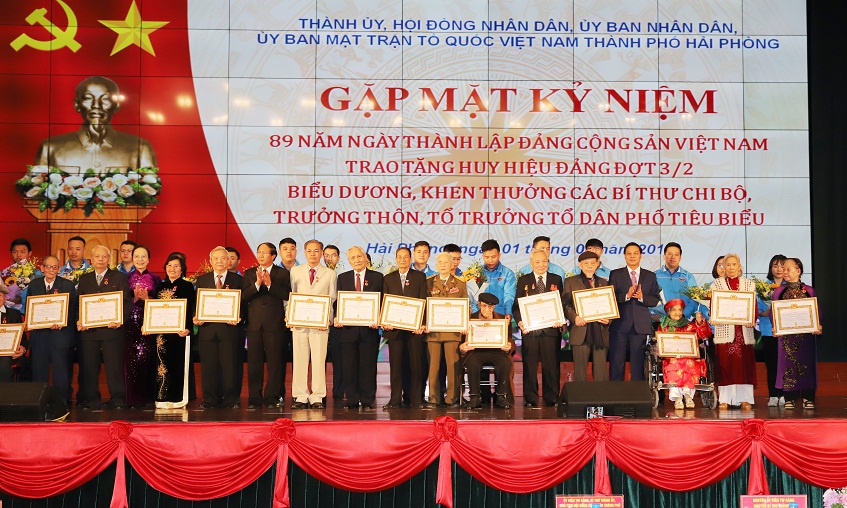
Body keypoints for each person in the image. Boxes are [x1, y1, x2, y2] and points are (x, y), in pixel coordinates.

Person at [34, 75, 157, 171]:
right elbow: (37, 191)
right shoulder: (50, 147)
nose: (96, 105)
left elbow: (148, 191)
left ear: (116, 105)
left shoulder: (140, 148)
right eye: (88, 98)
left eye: (105, 99)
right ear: (77, 105)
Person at [76, 245, 132, 409]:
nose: (100, 259)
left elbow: (126, 303)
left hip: (112, 330)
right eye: (97, 256)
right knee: (89, 367)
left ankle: (118, 400)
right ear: (91, 260)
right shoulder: (84, 279)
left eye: (104, 257)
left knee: (114, 367)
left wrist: (120, 320)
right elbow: (79, 303)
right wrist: (79, 320)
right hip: (89, 331)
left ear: (109, 260)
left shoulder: (120, 278)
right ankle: (91, 400)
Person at [21, 256, 77, 403]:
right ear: (42, 268)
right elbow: (29, 308)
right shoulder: (34, 285)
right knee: (39, 373)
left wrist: (62, 322)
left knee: (61, 373)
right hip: (39, 336)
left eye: (55, 267)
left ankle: (61, 405)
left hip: (60, 335)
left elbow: (73, 310)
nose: (51, 270)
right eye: (48, 266)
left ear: (59, 269)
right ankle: (40, 404)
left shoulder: (67, 285)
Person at [288, 240, 337, 409]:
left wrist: (328, 319)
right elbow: (291, 295)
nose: (312, 254)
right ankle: (300, 395)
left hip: (320, 324)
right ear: (304, 252)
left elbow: (332, 298)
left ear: (322, 253)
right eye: (309, 251)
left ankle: (317, 396)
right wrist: (289, 315)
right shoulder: (295, 271)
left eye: (316, 251)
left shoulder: (330, 274)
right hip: (299, 323)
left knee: (318, 359)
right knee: (299, 359)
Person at [334, 246, 384, 410]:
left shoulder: (378, 277)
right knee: (349, 367)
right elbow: (339, 302)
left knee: (368, 366)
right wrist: (338, 316)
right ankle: (352, 399)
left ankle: (368, 399)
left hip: (369, 330)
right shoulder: (343, 278)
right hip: (348, 330)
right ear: (349, 261)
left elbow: (383, 302)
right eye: (353, 258)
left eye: (359, 256)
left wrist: (379, 318)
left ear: (365, 258)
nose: (357, 260)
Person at [242, 242, 291, 409]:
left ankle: (272, 397)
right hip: (254, 324)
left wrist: (270, 284)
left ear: (273, 256)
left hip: (275, 324)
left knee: (275, 363)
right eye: (259, 252)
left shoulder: (282, 273)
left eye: (264, 252)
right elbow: (244, 296)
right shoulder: (249, 273)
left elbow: (287, 294)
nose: (261, 255)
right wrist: (257, 284)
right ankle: (254, 398)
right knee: (254, 363)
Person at [193, 246, 243, 409]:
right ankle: (209, 399)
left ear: (229, 261)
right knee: (208, 367)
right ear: (210, 261)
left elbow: (243, 304)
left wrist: (239, 317)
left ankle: (231, 399)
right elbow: (197, 303)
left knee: (230, 366)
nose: (219, 261)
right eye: (216, 258)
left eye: (223, 258)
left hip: (229, 330)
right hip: (207, 330)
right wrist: (195, 316)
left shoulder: (238, 280)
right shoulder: (202, 280)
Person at [513, 250, 564, 407]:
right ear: (531, 263)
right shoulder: (524, 280)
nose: (541, 265)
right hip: (531, 331)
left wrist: (559, 319)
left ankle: (552, 396)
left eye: (544, 261)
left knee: (551, 365)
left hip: (550, 330)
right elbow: (516, 306)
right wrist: (520, 321)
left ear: (548, 262)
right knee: (530, 365)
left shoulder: (556, 279)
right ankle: (530, 398)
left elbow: (561, 303)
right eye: (537, 262)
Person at [772, 257, 822, 410]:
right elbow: (774, 313)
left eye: (788, 269)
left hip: (806, 337)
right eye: (783, 269)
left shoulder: (809, 291)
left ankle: (808, 398)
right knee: (787, 366)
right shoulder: (779, 292)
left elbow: (816, 311)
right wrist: (775, 327)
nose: (785, 272)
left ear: (798, 271)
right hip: (786, 337)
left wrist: (818, 325)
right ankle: (790, 398)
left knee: (807, 365)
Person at [382, 247, 429, 409]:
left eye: (405, 257)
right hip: (394, 330)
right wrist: (385, 321)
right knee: (396, 366)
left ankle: (416, 399)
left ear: (410, 259)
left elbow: (424, 301)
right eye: (399, 257)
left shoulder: (420, 277)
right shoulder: (388, 279)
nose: (402, 260)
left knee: (416, 366)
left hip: (414, 330)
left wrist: (422, 323)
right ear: (396, 259)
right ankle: (395, 399)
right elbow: (384, 302)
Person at [608, 242, 661, 381]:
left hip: (640, 326)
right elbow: (610, 298)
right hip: (619, 325)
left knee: (638, 365)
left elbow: (655, 299)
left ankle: (637, 392)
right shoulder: (615, 274)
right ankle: (615, 391)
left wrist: (642, 297)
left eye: (635, 253)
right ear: (624, 256)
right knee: (616, 362)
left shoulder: (650, 276)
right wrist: (626, 296)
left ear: (640, 256)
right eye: (629, 253)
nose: (632, 256)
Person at [711, 253, 757, 409]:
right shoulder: (716, 285)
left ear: (739, 266)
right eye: (728, 264)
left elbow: (753, 306)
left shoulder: (749, 284)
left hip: (743, 331)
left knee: (744, 366)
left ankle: (745, 399)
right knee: (725, 365)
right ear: (724, 267)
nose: (731, 267)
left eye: (734, 264)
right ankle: (724, 399)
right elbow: (714, 306)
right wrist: (714, 316)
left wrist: (752, 318)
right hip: (725, 330)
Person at [152, 254, 195, 408]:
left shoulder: (187, 286)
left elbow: (191, 309)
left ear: (182, 269)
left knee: (177, 364)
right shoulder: (160, 286)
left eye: (176, 266)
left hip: (179, 333)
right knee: (162, 364)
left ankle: (177, 398)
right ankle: (161, 397)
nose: (172, 269)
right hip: (161, 333)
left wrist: (188, 327)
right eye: (169, 265)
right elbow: (153, 309)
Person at [426, 252, 468, 407]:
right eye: (440, 262)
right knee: (434, 366)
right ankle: (433, 398)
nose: (443, 265)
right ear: (436, 265)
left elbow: (465, 306)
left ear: (452, 265)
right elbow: (424, 306)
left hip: (453, 331)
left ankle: (452, 398)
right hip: (434, 331)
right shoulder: (428, 283)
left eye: (446, 262)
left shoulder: (460, 283)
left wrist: (464, 324)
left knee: (453, 366)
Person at [562, 251, 611, 383]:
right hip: (580, 331)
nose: (589, 266)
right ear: (580, 265)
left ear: (597, 264)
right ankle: (580, 396)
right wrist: (575, 317)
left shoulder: (604, 283)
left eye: (592, 263)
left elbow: (611, 305)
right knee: (580, 374)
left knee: (601, 373)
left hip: (600, 332)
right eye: (586, 263)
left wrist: (609, 319)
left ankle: (600, 395)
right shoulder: (570, 282)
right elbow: (565, 304)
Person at [460, 292, 514, 409]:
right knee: (472, 363)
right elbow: (461, 341)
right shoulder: (470, 319)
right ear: (479, 304)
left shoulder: (502, 319)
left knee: (505, 362)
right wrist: (462, 347)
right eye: (484, 306)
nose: (487, 309)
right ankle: (475, 397)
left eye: (491, 307)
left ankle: (501, 397)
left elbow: (510, 339)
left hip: (496, 352)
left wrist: (508, 346)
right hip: (476, 352)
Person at [656, 299, 712, 409]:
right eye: (674, 310)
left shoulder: (689, 326)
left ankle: (687, 395)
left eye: (679, 310)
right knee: (674, 363)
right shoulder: (663, 327)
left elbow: (704, 335)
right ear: (668, 312)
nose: (677, 313)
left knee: (689, 363)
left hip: (688, 357)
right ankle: (677, 398)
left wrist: (700, 323)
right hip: (671, 358)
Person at [124, 245, 161, 408]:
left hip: (148, 322)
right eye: (137, 256)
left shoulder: (156, 278)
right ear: (132, 259)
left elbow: (161, 301)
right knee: (130, 361)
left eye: (143, 256)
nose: (140, 260)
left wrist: (147, 299)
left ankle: (148, 399)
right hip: (130, 323)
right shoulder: (124, 278)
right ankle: (131, 399)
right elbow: (121, 301)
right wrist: (134, 299)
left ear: (149, 259)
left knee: (148, 359)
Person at [759, 254, 787, 407]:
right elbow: (758, 309)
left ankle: (784, 394)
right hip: (768, 331)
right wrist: (770, 310)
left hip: (786, 331)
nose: (779, 269)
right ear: (771, 268)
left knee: (785, 365)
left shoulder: (790, 286)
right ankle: (773, 395)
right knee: (771, 365)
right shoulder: (763, 287)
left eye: (782, 266)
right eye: (775, 266)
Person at [652, 242, 700, 320]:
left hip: (683, 320)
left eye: (676, 254)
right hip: (660, 320)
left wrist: (683, 315)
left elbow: (694, 300)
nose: (673, 257)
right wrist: (659, 315)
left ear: (680, 258)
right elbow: (649, 299)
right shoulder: (654, 276)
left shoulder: (688, 276)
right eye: (670, 254)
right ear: (664, 256)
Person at [3, 238, 41, 311]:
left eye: (22, 252)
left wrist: (21, 299)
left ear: (29, 253)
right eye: (15, 252)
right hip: (8, 312)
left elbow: (40, 296)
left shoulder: (37, 274)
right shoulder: (5, 273)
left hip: (29, 312)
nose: (18, 255)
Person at [0, 282, 26, 382]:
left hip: (8, 354)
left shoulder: (14, 314)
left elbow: (23, 338)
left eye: (0, 296)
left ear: (5, 298)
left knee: (4, 362)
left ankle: (4, 391)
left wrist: (22, 349)